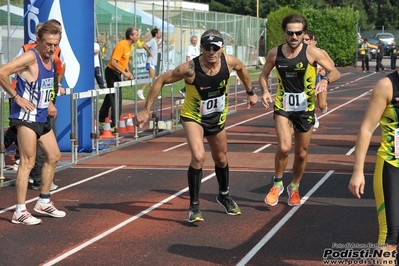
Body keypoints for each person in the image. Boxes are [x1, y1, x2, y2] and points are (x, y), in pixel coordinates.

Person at [134, 29, 258, 222]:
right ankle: (194, 205)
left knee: (221, 158)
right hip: (193, 116)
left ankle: (223, 195)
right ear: (201, 48)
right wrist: (146, 110)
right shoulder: (190, 69)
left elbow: (242, 69)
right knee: (199, 156)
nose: (211, 52)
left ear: (221, 48)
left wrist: (250, 91)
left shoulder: (229, 62)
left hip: (217, 117)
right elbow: (160, 80)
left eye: (215, 48)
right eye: (207, 48)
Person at [259, 14, 340, 207]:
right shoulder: (275, 53)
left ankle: (294, 187)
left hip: (305, 108)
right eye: (290, 33)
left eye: (298, 33)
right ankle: (277, 184)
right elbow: (263, 75)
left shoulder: (312, 52)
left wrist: (326, 81)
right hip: (283, 106)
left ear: (303, 33)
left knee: (302, 153)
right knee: (285, 147)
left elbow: (335, 71)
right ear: (284, 33)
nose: (294, 37)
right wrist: (264, 91)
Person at [0, 20, 66, 225]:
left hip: (41, 115)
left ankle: (43, 201)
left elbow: (48, 83)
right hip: (25, 117)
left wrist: (55, 93)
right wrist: (17, 97)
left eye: (55, 44)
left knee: (54, 156)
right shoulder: (30, 56)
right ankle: (19, 210)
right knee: (28, 162)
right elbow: (2, 71)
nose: (52, 48)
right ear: (38, 40)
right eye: (48, 43)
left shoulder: (52, 56)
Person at [348, 71, 399, 265]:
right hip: (392, 165)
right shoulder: (387, 86)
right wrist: (357, 171)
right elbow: (367, 129)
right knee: (391, 235)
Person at [98, 27, 139, 128]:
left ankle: (102, 117)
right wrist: (125, 74)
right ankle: (114, 123)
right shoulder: (122, 45)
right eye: (136, 35)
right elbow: (113, 62)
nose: (138, 37)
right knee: (116, 97)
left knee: (110, 95)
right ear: (131, 36)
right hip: (111, 72)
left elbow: (124, 61)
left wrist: (128, 72)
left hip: (118, 73)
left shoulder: (130, 46)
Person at [303, 31, 333, 128]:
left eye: (307, 39)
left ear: (313, 41)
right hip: (308, 80)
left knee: (321, 105)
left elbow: (332, 65)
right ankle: (312, 116)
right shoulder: (299, 53)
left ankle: (323, 105)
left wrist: (323, 70)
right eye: (303, 39)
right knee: (310, 99)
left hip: (320, 79)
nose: (304, 41)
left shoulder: (321, 52)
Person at [136, 28, 161, 100]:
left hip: (154, 62)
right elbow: (144, 46)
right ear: (156, 34)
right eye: (159, 33)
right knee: (152, 79)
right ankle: (141, 90)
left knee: (152, 81)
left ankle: (153, 95)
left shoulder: (155, 42)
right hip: (151, 62)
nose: (160, 34)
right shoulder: (153, 40)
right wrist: (149, 52)